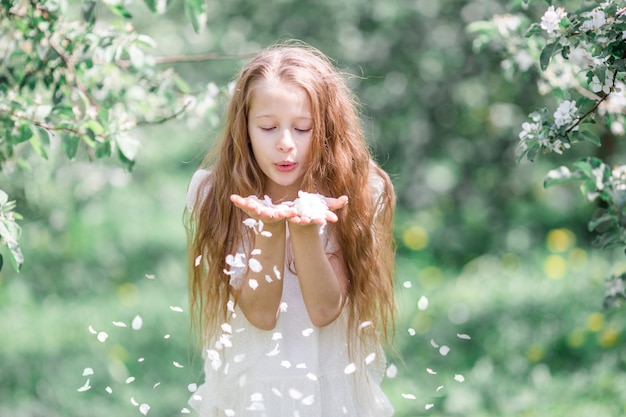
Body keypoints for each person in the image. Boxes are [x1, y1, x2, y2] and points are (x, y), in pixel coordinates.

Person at [185, 40, 396, 417]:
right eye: (268, 127)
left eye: (303, 128)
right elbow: (262, 315)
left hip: (330, 384)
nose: (285, 144)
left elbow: (324, 309)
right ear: (244, 127)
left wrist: (304, 229)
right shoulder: (216, 194)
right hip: (252, 385)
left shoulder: (358, 190)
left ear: (327, 128)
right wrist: (269, 229)